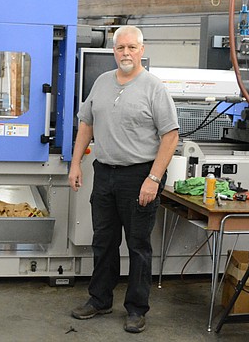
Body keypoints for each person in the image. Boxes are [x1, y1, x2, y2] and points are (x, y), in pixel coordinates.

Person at [67, 25, 179, 334]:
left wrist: (154, 178)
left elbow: (170, 136)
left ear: (142, 50)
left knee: (138, 245)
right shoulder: (102, 83)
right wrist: (76, 164)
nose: (126, 53)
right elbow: (86, 124)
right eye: (120, 48)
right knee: (103, 241)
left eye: (131, 47)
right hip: (104, 173)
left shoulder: (154, 87)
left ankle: (136, 309)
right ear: (113, 51)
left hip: (140, 176)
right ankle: (100, 299)